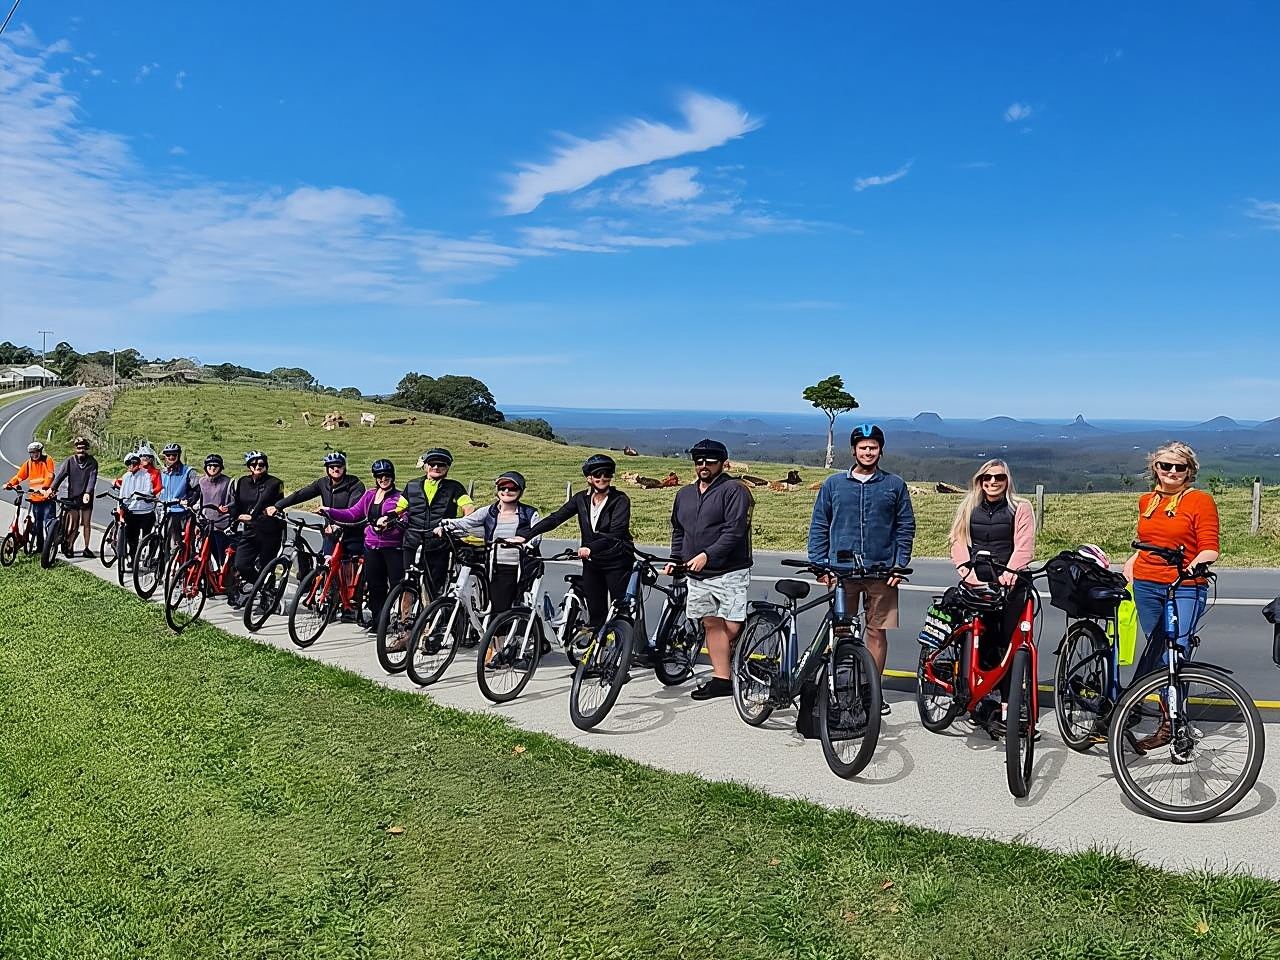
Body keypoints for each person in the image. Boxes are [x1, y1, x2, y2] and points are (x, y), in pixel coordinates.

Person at [807, 423, 915, 715]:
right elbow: (819, 524)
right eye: (863, 447)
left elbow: (905, 528)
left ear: (881, 450)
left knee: (877, 633)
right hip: (841, 571)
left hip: (882, 572)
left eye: (874, 447)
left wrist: (899, 564)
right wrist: (819, 563)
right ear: (853, 450)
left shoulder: (894, 485)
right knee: (841, 632)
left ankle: (872, 692)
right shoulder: (833, 484)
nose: (868, 452)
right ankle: (840, 687)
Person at [1121, 441, 1220, 750]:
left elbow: (1209, 546)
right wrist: (1133, 562)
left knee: (1175, 653)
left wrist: (1197, 564)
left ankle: (1174, 724)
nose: (1172, 472)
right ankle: (1169, 716)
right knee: (1158, 654)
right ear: (1156, 468)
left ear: (1190, 471)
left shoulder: (1199, 501)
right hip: (1146, 585)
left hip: (1185, 586)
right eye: (1165, 466)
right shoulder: (1146, 501)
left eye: (1180, 467)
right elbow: (1147, 540)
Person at [946, 458, 1036, 735]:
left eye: (999, 478)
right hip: (977, 583)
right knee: (979, 642)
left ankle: (1011, 707)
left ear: (1007, 481)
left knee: (1009, 645)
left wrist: (1007, 578)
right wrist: (969, 576)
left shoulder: (1020, 508)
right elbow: (958, 542)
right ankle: (979, 698)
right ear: (979, 481)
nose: (993, 483)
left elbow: (1024, 547)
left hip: (1011, 585)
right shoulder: (969, 507)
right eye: (987, 478)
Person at [669, 439, 753, 701]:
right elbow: (679, 529)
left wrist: (708, 554)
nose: (703, 466)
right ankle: (721, 679)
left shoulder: (734, 491)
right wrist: (675, 558)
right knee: (710, 623)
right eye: (699, 461)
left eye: (710, 461)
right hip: (698, 573)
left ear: (723, 463)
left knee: (732, 625)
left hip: (730, 570)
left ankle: (736, 646)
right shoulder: (684, 494)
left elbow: (735, 531)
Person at [517, 453, 632, 632]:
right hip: (592, 563)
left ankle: (623, 649)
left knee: (620, 610)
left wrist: (590, 547)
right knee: (596, 612)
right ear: (589, 478)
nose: (603, 478)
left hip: (616, 561)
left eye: (607, 473)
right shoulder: (581, 499)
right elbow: (556, 518)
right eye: (598, 474)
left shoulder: (620, 499)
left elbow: (617, 533)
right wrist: (527, 535)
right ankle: (596, 654)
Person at [435, 471, 542, 616]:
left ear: (521, 491)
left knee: (505, 607)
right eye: (502, 488)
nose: (506, 491)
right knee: (490, 606)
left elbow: (537, 534)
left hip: (519, 566)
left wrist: (526, 544)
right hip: (493, 565)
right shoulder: (489, 511)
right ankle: (492, 635)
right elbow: (467, 522)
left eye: (512, 488)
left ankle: (504, 635)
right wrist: (445, 524)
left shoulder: (529, 513)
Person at [320, 459, 404, 630]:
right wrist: (329, 510)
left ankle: (400, 620)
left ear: (393, 476)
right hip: (371, 547)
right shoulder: (370, 495)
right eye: (379, 476)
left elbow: (405, 519)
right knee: (375, 586)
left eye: (387, 475)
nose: (383, 479)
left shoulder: (399, 498)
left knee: (396, 585)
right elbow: (353, 514)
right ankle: (379, 621)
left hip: (393, 547)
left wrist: (392, 522)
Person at [391, 448, 474, 601]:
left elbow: (468, 507)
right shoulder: (412, 485)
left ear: (447, 467)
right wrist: (387, 517)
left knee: (434, 585)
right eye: (432, 464)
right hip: (413, 540)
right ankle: (404, 620)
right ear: (426, 465)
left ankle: (431, 618)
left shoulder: (454, 487)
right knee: (408, 581)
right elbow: (400, 508)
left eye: (441, 465)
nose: (436, 467)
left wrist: (460, 524)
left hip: (439, 542)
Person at [267, 451, 365, 560]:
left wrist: (337, 523)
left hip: (352, 533)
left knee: (350, 565)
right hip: (331, 532)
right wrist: (278, 506)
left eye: (339, 466)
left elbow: (352, 513)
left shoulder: (355, 485)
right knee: (325, 563)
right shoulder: (322, 483)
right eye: (331, 466)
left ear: (344, 467)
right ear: (327, 469)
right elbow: (301, 495)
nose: (335, 469)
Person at [228, 451, 285, 608]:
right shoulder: (243, 482)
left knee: (267, 565)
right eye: (254, 464)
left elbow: (266, 503)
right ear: (249, 466)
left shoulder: (274, 483)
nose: (258, 467)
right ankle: (263, 587)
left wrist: (252, 517)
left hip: (269, 531)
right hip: (250, 530)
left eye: (262, 464)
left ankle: (267, 596)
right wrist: (234, 516)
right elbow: (237, 503)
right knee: (241, 564)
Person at [46, 436, 99, 558]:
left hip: (86, 497)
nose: (81, 451)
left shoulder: (92, 462)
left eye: (83, 448)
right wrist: (52, 488)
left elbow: (92, 479)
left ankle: (86, 548)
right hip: (73, 497)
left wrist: (88, 492)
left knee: (86, 523)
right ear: (75, 449)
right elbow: (60, 476)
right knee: (73, 524)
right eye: (79, 448)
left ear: (87, 449)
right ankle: (70, 546)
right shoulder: (70, 461)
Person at [5, 441, 57, 554]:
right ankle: (40, 547)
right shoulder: (28, 464)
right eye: (32, 453)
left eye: (36, 452)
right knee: (38, 524)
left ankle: (50, 548)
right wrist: (9, 484)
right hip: (35, 499)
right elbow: (19, 476)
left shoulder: (47, 460)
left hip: (47, 498)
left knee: (48, 523)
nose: (34, 455)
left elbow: (50, 475)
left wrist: (45, 488)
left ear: (40, 451)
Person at [185, 454, 235, 560]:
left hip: (221, 525)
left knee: (220, 555)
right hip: (205, 523)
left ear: (221, 467)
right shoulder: (201, 481)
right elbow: (197, 499)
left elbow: (235, 502)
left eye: (215, 466)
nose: (212, 468)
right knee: (203, 554)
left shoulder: (228, 482)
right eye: (209, 466)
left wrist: (228, 508)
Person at [115, 452, 160, 565]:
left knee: (147, 537)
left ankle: (148, 556)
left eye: (134, 463)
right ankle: (133, 558)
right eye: (129, 464)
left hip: (146, 511)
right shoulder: (126, 477)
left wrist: (141, 496)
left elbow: (148, 491)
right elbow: (123, 495)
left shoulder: (146, 475)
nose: (131, 465)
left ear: (138, 464)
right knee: (132, 538)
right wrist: (121, 507)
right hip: (132, 512)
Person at [158, 443, 196, 548]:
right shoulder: (163, 472)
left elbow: (196, 490)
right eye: (168, 455)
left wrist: (188, 500)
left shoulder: (188, 472)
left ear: (178, 456)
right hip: (164, 509)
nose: (171, 457)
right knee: (160, 538)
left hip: (180, 511)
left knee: (179, 542)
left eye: (173, 455)